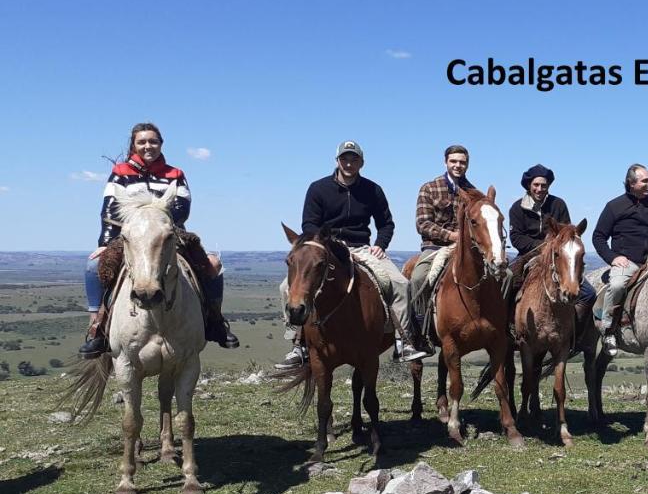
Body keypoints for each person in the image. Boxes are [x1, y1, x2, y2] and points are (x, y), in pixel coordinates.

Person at [79, 122, 238, 357]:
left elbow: (181, 208)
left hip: (168, 232)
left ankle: (214, 320)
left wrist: (154, 222)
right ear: (134, 145)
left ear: (161, 144)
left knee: (212, 264)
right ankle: (97, 328)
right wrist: (104, 243)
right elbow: (109, 210)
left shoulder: (175, 174)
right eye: (141, 142)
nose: (147, 146)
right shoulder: (121, 172)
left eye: (153, 141)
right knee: (93, 266)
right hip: (131, 235)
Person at [275, 141, 425, 368]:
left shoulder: (372, 189)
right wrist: (323, 243)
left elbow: (386, 223)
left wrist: (380, 244)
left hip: (361, 248)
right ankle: (298, 343)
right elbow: (309, 223)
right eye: (344, 158)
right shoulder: (318, 188)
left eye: (354, 159)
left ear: (361, 163)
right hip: (325, 248)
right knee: (286, 287)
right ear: (337, 161)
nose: (349, 163)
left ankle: (403, 341)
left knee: (400, 284)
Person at [591, 164, 648, 353]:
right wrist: (613, 258)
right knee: (618, 285)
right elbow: (598, 237)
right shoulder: (614, 206)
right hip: (627, 262)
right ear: (631, 183)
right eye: (645, 181)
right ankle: (608, 330)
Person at [408, 144, 476, 355]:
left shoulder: (473, 192)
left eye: (462, 162)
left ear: (467, 164)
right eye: (454, 161)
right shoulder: (429, 188)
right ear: (446, 162)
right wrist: (451, 236)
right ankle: (419, 332)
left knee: (500, 275)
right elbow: (422, 223)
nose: (458, 165)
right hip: (435, 247)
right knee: (419, 277)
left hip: (465, 249)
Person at [508, 164, 596, 321]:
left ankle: (576, 335)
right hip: (527, 255)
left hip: (558, 254)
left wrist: (554, 246)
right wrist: (542, 246)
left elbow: (568, 232)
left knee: (588, 294)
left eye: (544, 185)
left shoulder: (558, 204)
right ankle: (507, 330)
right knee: (507, 282)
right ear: (529, 185)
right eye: (536, 185)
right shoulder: (517, 208)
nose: (540, 189)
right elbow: (516, 237)